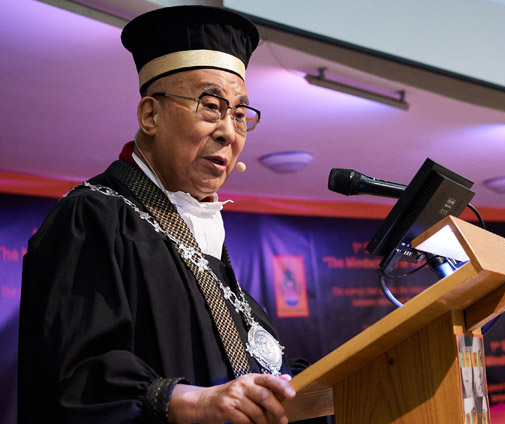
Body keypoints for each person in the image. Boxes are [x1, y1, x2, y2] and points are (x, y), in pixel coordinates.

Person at [18, 6, 312, 424]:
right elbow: (72, 380)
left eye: (240, 114)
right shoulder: (93, 217)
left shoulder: (200, 238)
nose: (229, 130)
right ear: (150, 115)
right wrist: (196, 402)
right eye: (211, 106)